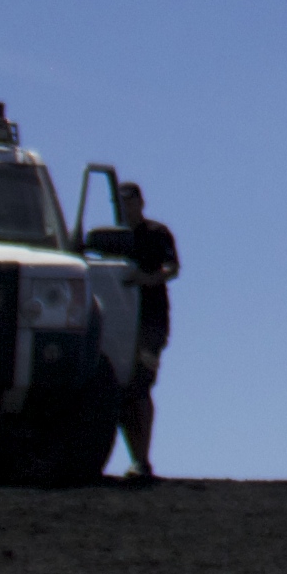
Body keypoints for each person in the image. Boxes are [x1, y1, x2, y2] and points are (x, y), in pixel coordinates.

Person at [86, 179, 181, 485]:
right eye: (121, 202)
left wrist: (147, 279)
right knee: (115, 389)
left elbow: (172, 268)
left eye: (130, 201)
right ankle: (127, 459)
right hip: (117, 323)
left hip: (150, 323)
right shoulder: (111, 239)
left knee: (140, 385)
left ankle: (141, 460)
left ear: (141, 202)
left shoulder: (157, 233)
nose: (126, 207)